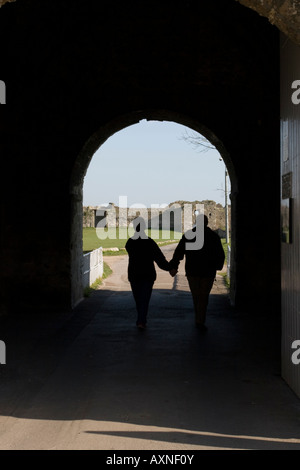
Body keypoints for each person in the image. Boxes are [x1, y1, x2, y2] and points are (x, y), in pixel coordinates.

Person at [169, 214, 225, 330]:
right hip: (208, 272)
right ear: (206, 222)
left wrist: (174, 266)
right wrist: (218, 267)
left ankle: (198, 318)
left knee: (196, 296)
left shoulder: (188, 235)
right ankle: (201, 320)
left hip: (192, 271)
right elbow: (220, 254)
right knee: (204, 296)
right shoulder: (213, 236)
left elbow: (179, 252)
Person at [125, 217, 172, 329]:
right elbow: (160, 259)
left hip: (134, 274)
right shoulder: (150, 242)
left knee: (138, 299)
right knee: (144, 299)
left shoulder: (130, 242)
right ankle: (141, 321)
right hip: (147, 274)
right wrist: (170, 268)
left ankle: (141, 320)